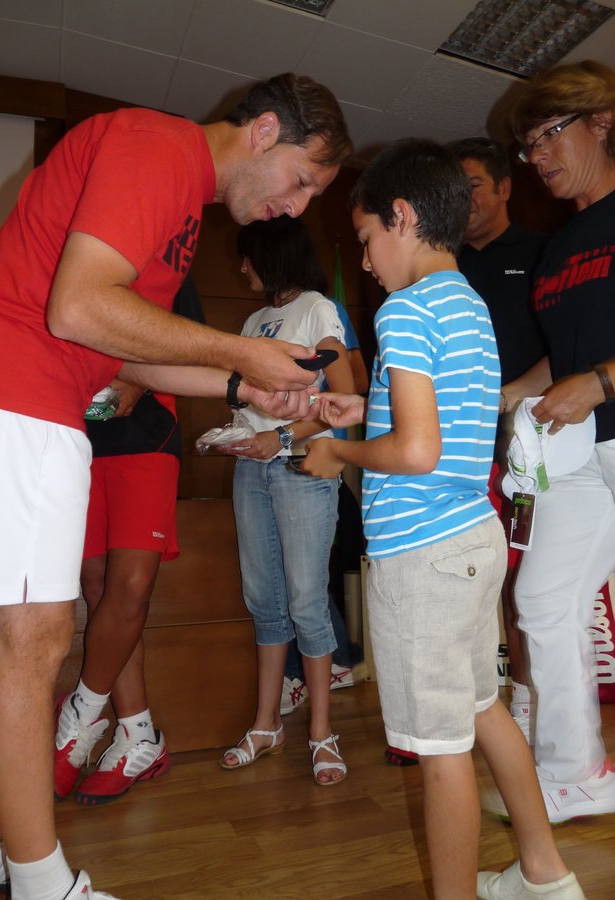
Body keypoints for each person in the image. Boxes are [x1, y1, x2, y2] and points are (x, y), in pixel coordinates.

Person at [0, 73, 352, 900]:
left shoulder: (178, 199)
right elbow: (77, 309)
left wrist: (246, 388)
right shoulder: (157, 147)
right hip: (10, 394)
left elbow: (122, 351)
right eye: (303, 179)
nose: (298, 206)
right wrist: (237, 352)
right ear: (263, 131)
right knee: (30, 640)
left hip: (7, 394)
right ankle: (41, 884)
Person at [303, 139, 585, 899]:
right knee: (484, 710)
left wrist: (338, 452)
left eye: (366, 239)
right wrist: (366, 409)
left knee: (439, 747)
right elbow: (446, 416)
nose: (365, 261)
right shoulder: (466, 301)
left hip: (422, 554)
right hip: (470, 537)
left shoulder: (403, 309)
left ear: (401, 215)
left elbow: (417, 449)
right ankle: (545, 874)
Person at [487, 58, 615, 825]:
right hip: (578, 451)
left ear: (601, 122)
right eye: (527, 145)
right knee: (541, 598)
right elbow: (559, 358)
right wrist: (504, 399)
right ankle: (575, 775)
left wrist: (599, 381)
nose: (536, 156)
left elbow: (588, 369)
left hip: (603, 415)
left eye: (548, 135)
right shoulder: (560, 247)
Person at [54, 277, 204, 807]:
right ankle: (139, 735)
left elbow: (191, 343)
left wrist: (133, 383)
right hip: (79, 441)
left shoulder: (169, 265)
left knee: (130, 588)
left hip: (147, 436)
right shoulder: (75, 263)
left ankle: (78, 719)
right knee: (98, 589)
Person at [219, 214, 354, 785]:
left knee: (306, 600)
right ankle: (266, 723)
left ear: (273, 255)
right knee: (264, 600)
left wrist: (280, 437)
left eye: (248, 256)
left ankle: (322, 734)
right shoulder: (253, 321)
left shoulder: (318, 308)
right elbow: (246, 400)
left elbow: (343, 396)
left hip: (301, 467)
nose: (242, 267)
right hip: (251, 469)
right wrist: (235, 435)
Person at [450, 137, 548, 742]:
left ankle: (528, 700)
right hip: (457, 452)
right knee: (465, 582)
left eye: (474, 188)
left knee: (524, 586)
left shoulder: (541, 252)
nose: (464, 202)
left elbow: (563, 348)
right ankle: (465, 708)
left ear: (505, 188)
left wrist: (512, 396)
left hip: (526, 451)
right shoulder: (445, 261)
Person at [280, 294, 367, 716]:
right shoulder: (265, 316)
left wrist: (306, 419)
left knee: (305, 581)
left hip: (318, 456)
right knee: (295, 579)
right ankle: (327, 662)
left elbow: (356, 381)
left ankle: (331, 664)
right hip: (289, 455)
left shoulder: (323, 308)